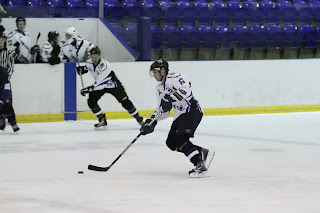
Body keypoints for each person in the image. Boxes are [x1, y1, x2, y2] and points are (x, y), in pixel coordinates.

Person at [140, 59, 214, 177]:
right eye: (152, 72)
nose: (154, 74)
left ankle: (199, 164)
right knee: (172, 143)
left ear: (163, 71)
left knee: (181, 139)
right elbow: (163, 110)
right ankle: (201, 152)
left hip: (191, 110)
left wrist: (171, 99)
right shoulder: (159, 88)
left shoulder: (175, 78)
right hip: (180, 114)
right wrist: (152, 121)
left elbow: (186, 91)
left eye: (156, 71)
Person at [76, 46, 144, 128]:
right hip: (99, 86)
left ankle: (139, 120)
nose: (94, 59)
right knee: (91, 101)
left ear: (100, 56)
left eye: (96, 57)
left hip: (113, 85)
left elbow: (102, 81)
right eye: (92, 57)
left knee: (125, 102)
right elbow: (88, 68)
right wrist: (82, 70)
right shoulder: (89, 62)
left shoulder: (104, 65)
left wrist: (90, 88)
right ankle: (102, 119)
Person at [0, 33, 19, 132]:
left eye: (2, 39)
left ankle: (13, 122)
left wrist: (5, 78)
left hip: (4, 82)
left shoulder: (8, 52)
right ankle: (1, 119)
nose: (0, 42)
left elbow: (11, 67)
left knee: (7, 103)